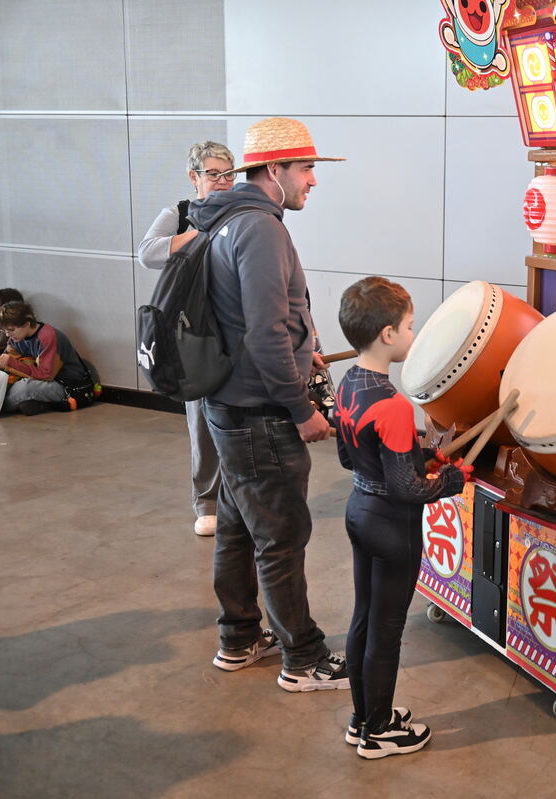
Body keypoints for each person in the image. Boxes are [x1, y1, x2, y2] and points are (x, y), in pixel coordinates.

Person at [189, 117, 348, 692]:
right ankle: (303, 658)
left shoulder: (223, 219)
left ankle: (239, 638)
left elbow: (254, 322)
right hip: (260, 412)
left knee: (236, 526)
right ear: (274, 171)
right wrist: (301, 407)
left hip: (228, 403)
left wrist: (306, 356)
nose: (313, 180)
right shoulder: (259, 228)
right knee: (281, 537)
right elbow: (264, 330)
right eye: (306, 168)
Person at [334, 277, 470, 759]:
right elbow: (406, 489)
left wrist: (420, 453)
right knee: (387, 632)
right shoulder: (393, 404)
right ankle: (378, 733)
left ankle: (362, 718)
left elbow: (351, 460)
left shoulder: (348, 383)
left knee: (364, 619)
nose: (414, 335)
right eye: (410, 326)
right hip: (392, 526)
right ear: (387, 334)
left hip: (358, 512)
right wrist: (452, 480)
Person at [138, 141, 237, 537]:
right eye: (213, 174)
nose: (222, 181)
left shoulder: (243, 210)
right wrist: (197, 234)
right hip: (190, 330)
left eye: (228, 174)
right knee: (201, 419)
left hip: (234, 326)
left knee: (237, 415)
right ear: (194, 176)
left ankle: (236, 498)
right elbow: (147, 252)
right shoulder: (179, 214)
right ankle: (207, 501)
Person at [0, 301, 92, 416]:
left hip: (66, 385)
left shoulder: (47, 337)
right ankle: (36, 403)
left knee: (25, 388)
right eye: (4, 331)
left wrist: (10, 362)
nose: (8, 335)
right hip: (41, 378)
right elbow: (10, 356)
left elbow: (46, 375)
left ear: (26, 324)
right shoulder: (17, 337)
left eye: (11, 330)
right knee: (4, 381)